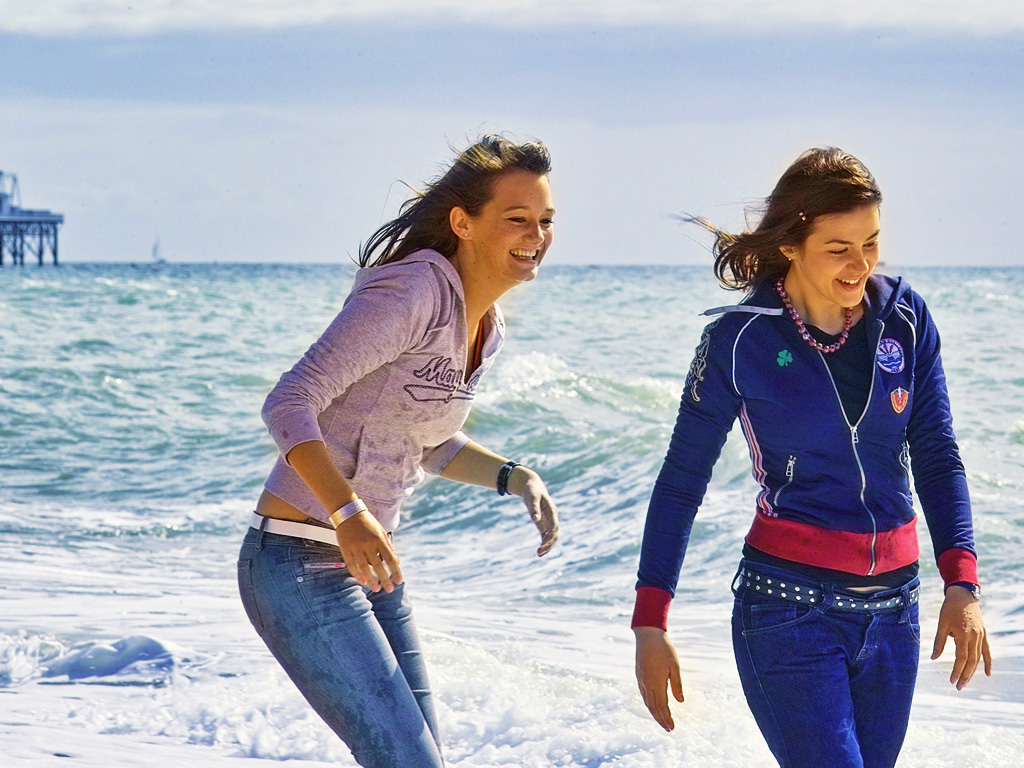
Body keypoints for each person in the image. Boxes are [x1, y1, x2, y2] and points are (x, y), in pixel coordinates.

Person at [631, 147, 991, 768]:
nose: (861, 265)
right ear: (792, 245)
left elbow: (937, 453)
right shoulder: (738, 339)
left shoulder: (906, 319)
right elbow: (682, 480)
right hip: (787, 609)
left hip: (895, 613)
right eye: (839, 248)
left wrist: (962, 583)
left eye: (872, 243)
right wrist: (650, 620)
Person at [237, 135, 560, 768]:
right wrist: (348, 514)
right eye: (517, 219)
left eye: (546, 220)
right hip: (296, 559)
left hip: (370, 568)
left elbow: (427, 441)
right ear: (463, 223)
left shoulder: (485, 327)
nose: (537, 235)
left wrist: (517, 478)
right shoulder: (413, 291)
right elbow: (290, 400)